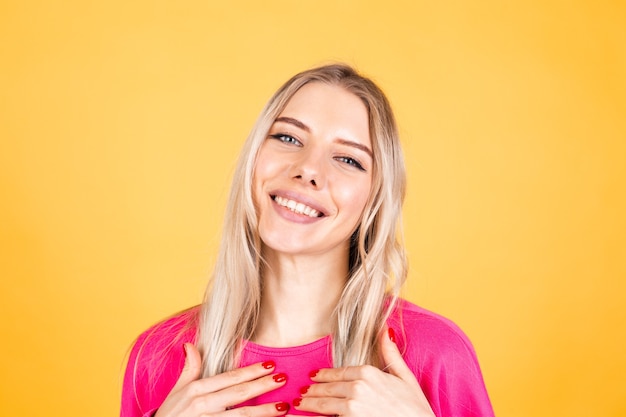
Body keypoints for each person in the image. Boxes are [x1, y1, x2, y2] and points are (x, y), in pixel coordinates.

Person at [121, 64, 495, 417]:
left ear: (374, 200)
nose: (307, 170)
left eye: (348, 159)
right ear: (253, 159)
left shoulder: (435, 352)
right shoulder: (157, 356)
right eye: (287, 137)